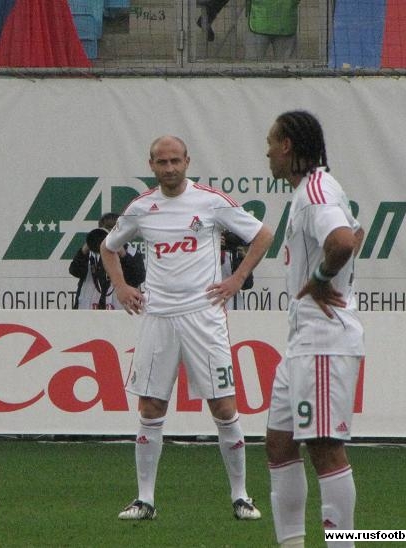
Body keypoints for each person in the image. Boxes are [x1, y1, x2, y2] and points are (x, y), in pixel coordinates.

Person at [100, 135, 274, 521]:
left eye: (175, 161)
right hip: (159, 317)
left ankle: (241, 497)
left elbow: (263, 235)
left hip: (203, 317)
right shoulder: (142, 208)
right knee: (150, 406)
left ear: (187, 161)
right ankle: (145, 500)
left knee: (224, 406)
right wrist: (122, 287)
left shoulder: (210, 202)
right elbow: (108, 248)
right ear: (151, 165)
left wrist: (237, 279)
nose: (170, 168)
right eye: (162, 162)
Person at [264, 111, 364, 548]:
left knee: (324, 447)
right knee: (279, 443)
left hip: (324, 338)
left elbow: (342, 241)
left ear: (286, 145)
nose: (267, 153)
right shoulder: (313, 189)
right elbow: (356, 234)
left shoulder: (315, 192)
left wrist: (323, 278)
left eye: (271, 143)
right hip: (302, 341)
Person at [69, 212, 145, 310]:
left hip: (120, 311)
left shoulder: (131, 251)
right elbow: (74, 271)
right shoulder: (91, 250)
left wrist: (122, 253)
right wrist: (87, 246)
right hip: (87, 311)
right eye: (106, 231)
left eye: (113, 231)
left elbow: (138, 277)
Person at [221, 231, 254, 310]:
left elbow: (247, 285)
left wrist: (244, 259)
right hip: (212, 303)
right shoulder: (206, 251)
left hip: (234, 304)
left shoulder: (234, 253)